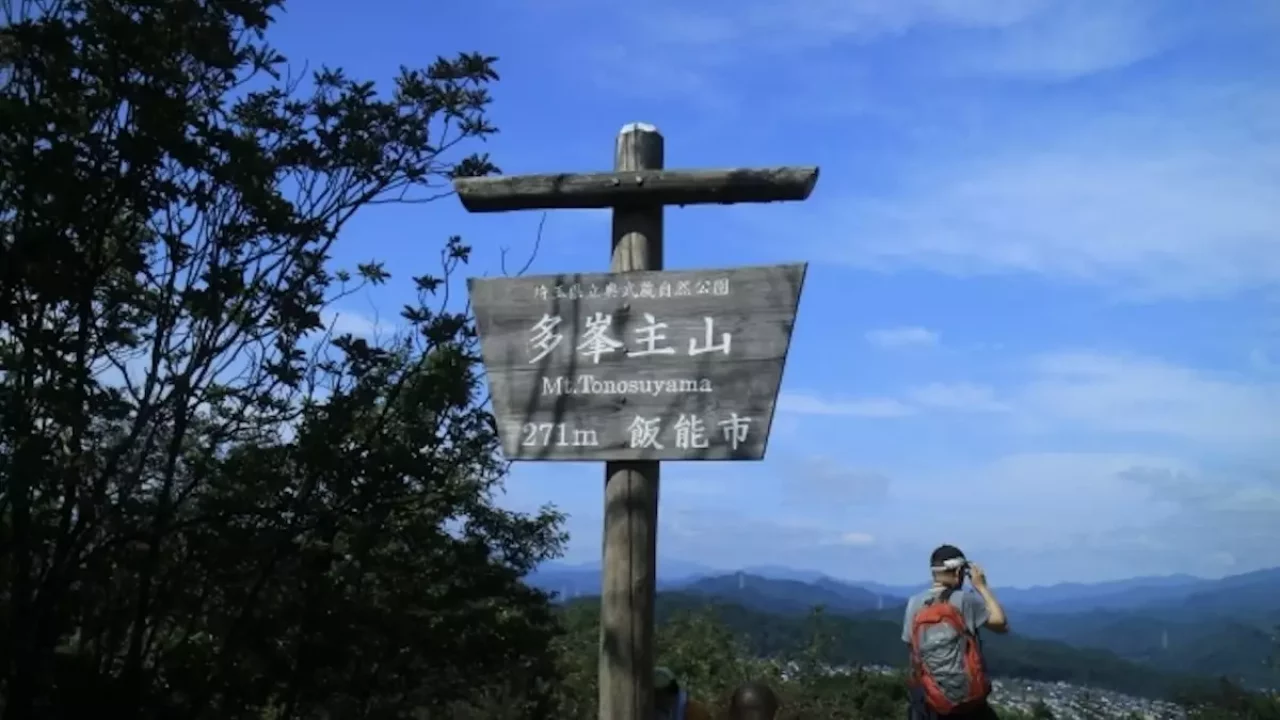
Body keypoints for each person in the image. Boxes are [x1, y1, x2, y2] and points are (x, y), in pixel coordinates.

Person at [902, 545, 1009, 719]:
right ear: (959, 571)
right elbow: (1001, 624)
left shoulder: (914, 603)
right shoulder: (964, 600)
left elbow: (911, 648)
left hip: (929, 702)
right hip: (967, 702)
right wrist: (981, 586)